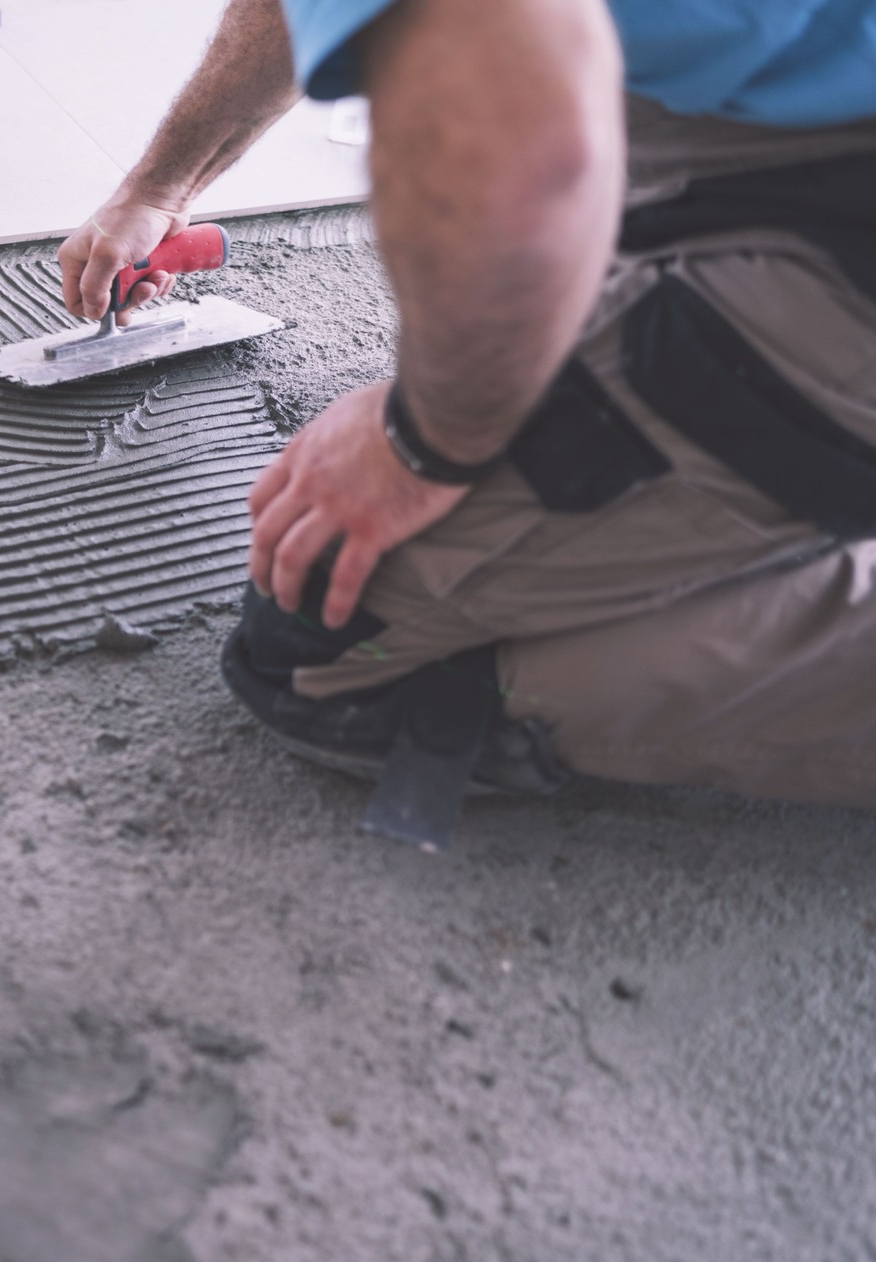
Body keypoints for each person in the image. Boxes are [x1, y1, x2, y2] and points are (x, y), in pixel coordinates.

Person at [58, 0, 876, 842]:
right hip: (803, 106)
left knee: (330, 637)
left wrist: (422, 443)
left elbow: (502, 114)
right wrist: (162, 187)